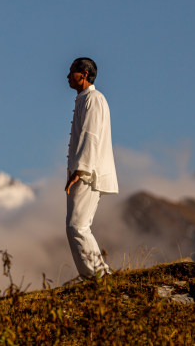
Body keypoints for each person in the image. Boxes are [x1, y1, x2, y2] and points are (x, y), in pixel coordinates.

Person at [64, 57, 118, 278]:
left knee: (78, 226)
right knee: (75, 226)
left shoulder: (94, 99)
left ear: (84, 74)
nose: (67, 76)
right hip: (82, 171)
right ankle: (95, 275)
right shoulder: (84, 99)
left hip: (88, 172)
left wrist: (81, 170)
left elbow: (91, 135)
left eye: (72, 72)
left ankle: (99, 276)